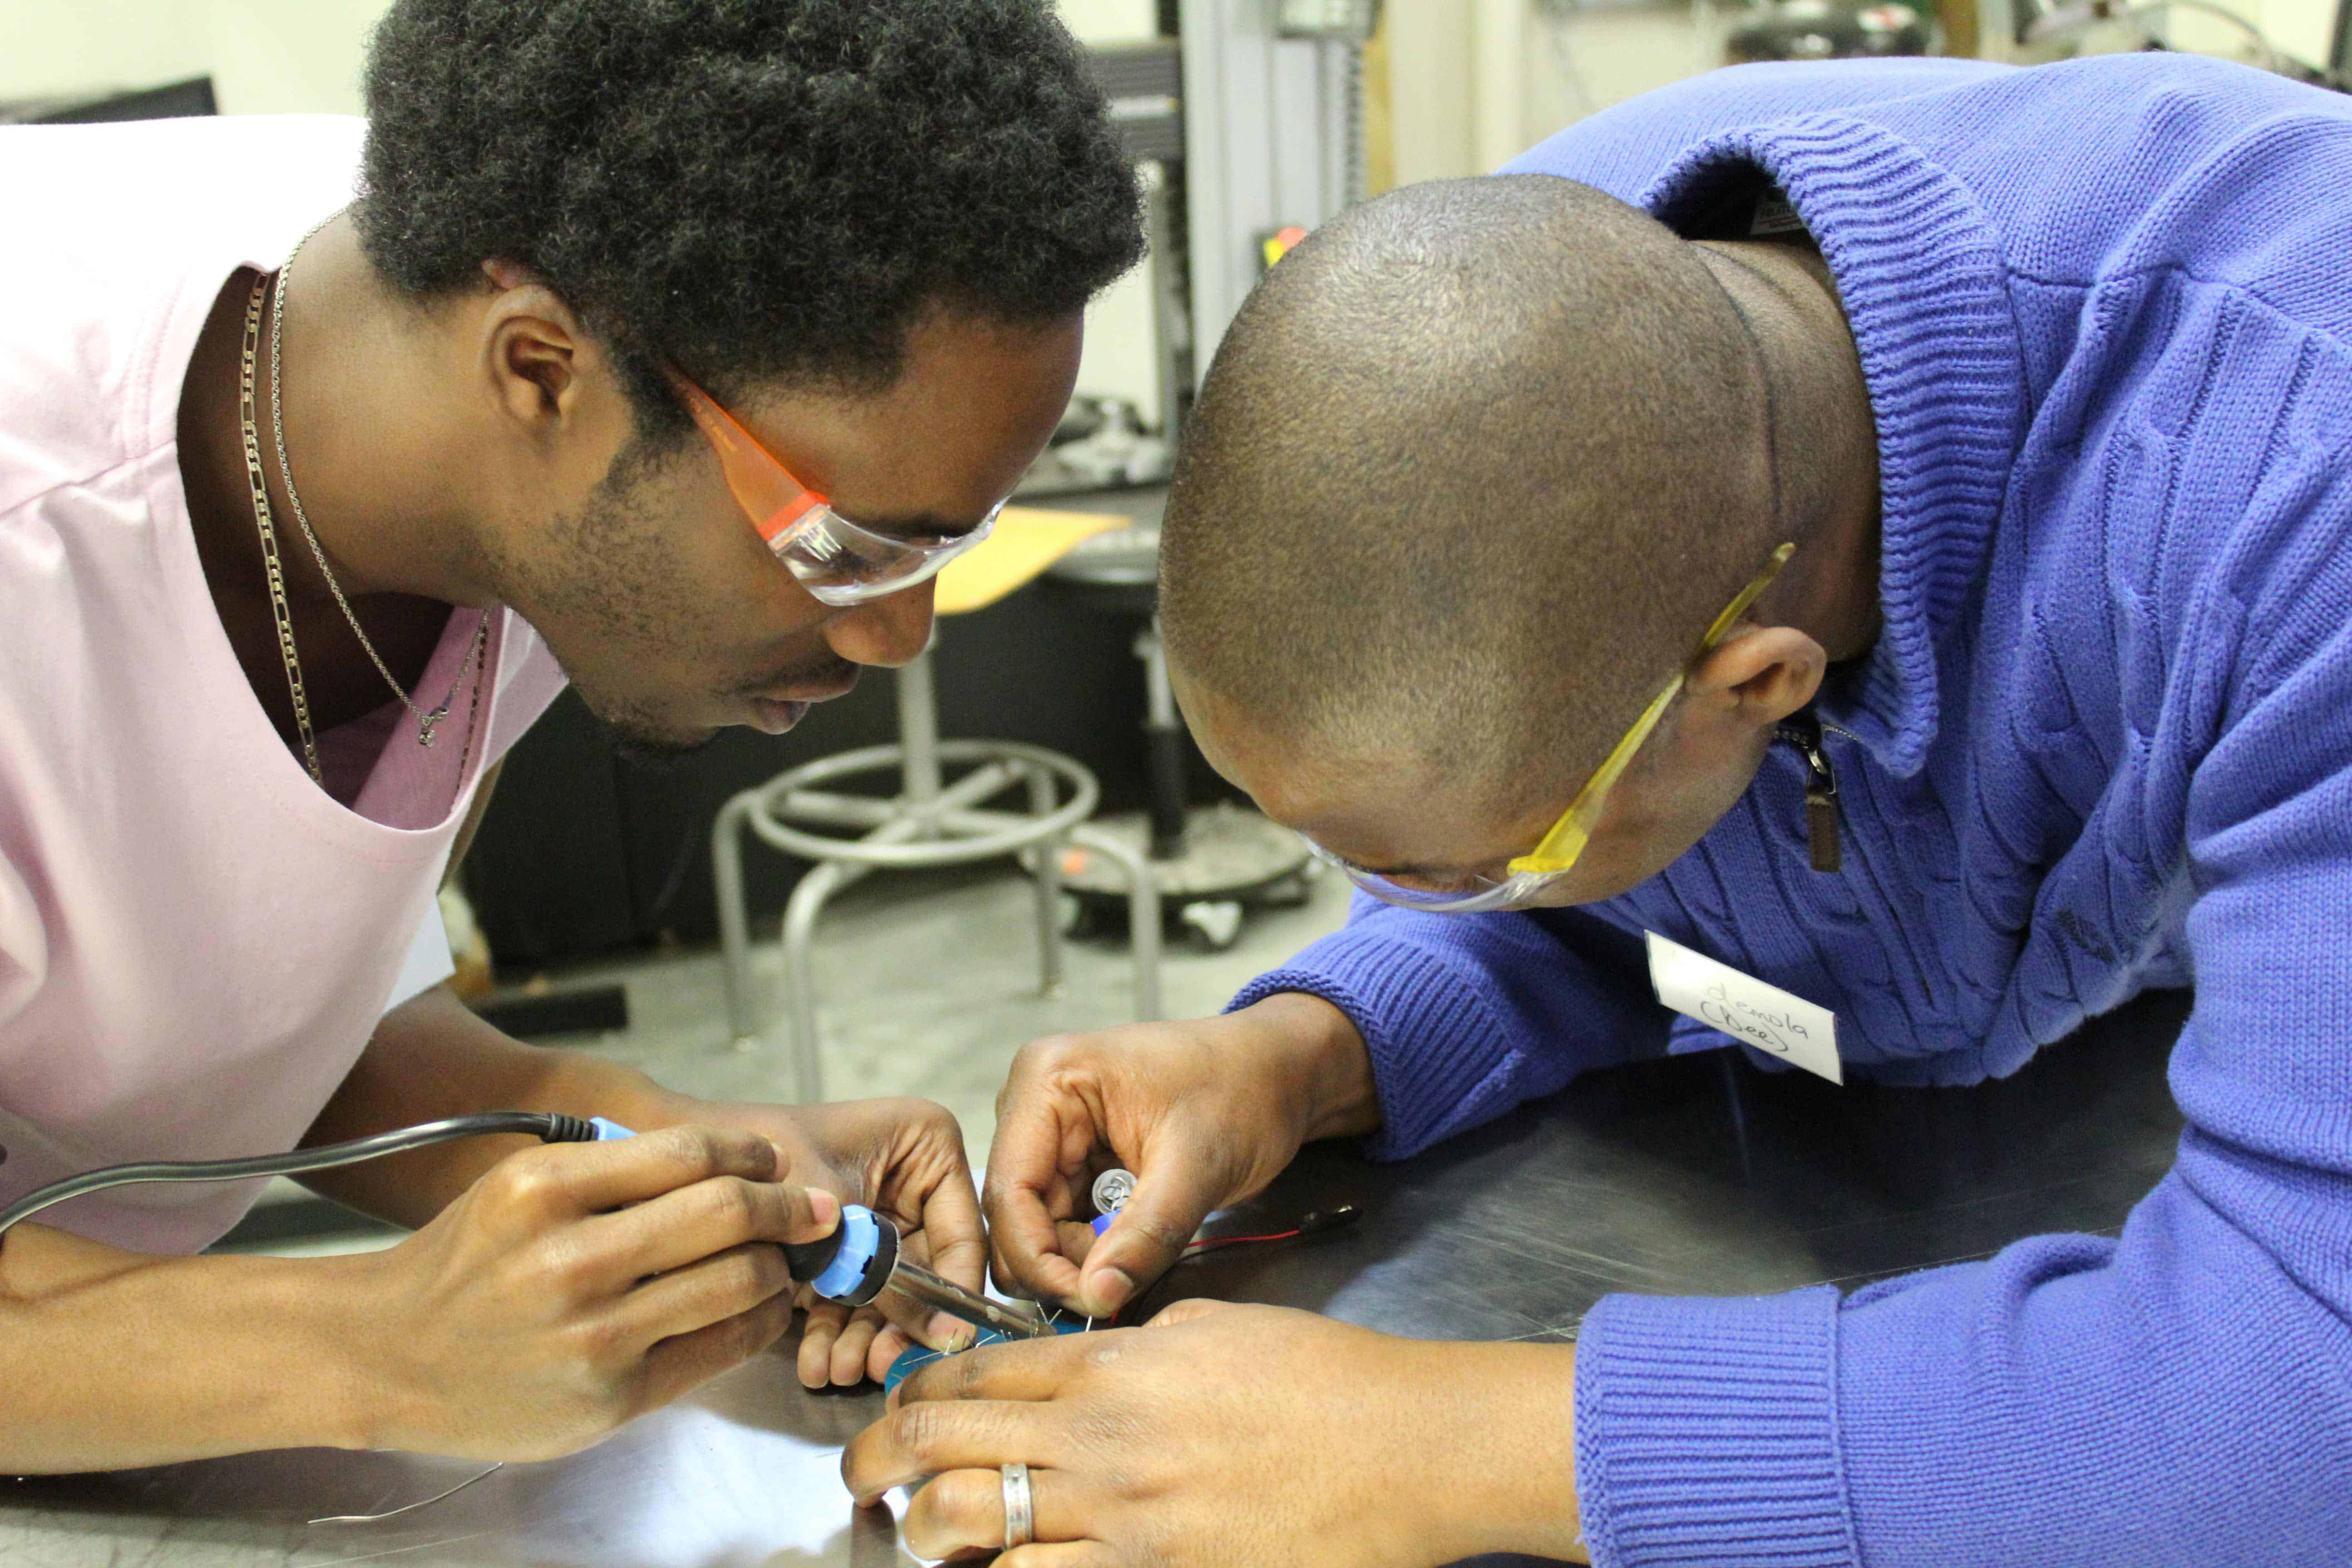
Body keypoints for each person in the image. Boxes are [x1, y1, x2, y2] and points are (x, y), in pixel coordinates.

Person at [845, 51, 2352, 1567]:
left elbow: (2296, 1395)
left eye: (1463, 870)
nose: (1401, 891)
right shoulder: (1503, 347)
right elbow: (1598, 910)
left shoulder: (2301, 470)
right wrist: (1307, 1053)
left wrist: (1424, 1446)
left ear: (1761, 685)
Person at [0, 0, 1141, 1471]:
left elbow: (228, 985)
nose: (893, 639)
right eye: (854, 549)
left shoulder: (546, 290)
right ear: (539, 371)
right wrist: (379, 1352)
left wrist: (657, 1151)